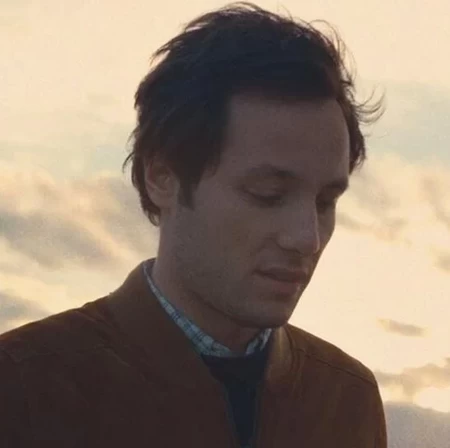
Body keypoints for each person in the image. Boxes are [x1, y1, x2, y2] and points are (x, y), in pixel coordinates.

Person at [0, 2, 387, 447]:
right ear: (161, 176)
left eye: (326, 201)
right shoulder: (22, 388)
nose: (307, 238)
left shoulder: (347, 400)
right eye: (268, 195)